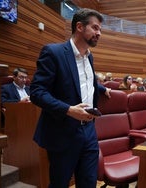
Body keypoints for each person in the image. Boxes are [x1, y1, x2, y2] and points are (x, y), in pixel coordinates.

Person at [29, 9, 104, 188]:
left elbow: (86, 87)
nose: (99, 33)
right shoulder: (53, 52)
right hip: (62, 132)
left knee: (88, 183)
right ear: (79, 26)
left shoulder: (89, 57)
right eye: (95, 28)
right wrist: (69, 110)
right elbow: (37, 92)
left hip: (89, 132)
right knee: (60, 184)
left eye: (100, 29)